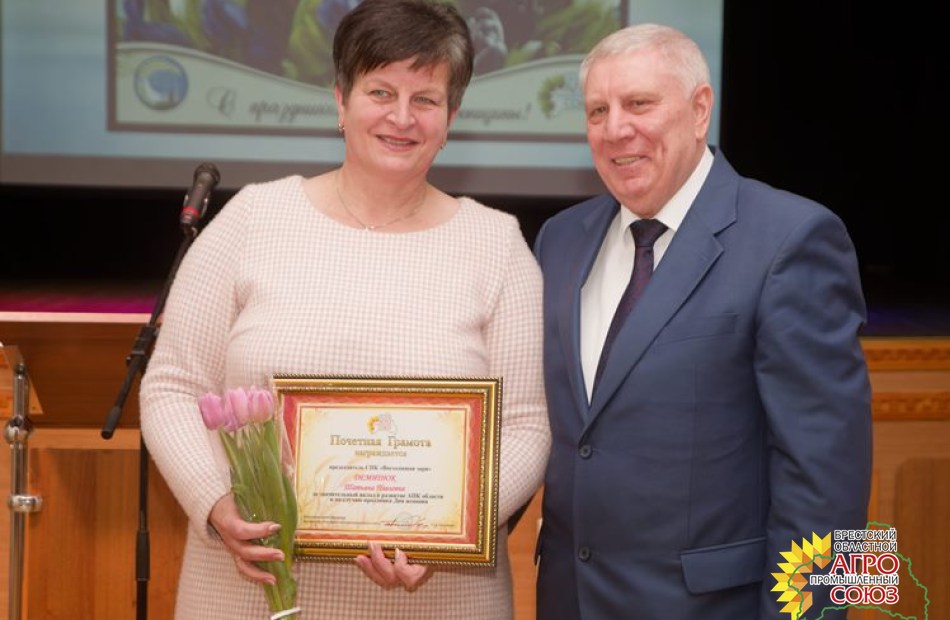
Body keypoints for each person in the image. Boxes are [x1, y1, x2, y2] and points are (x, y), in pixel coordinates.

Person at [139, 1, 550, 618]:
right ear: (340, 101)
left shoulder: (496, 244)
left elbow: (526, 425)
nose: (402, 117)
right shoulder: (253, 219)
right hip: (251, 594)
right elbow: (172, 385)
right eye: (380, 91)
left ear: (451, 117)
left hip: (439, 599)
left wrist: (451, 532)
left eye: (426, 99)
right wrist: (215, 502)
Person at [532, 23, 872, 619]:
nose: (615, 129)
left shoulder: (794, 238)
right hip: (568, 601)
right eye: (597, 110)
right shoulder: (560, 240)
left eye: (639, 103)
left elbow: (832, 483)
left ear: (699, 110)